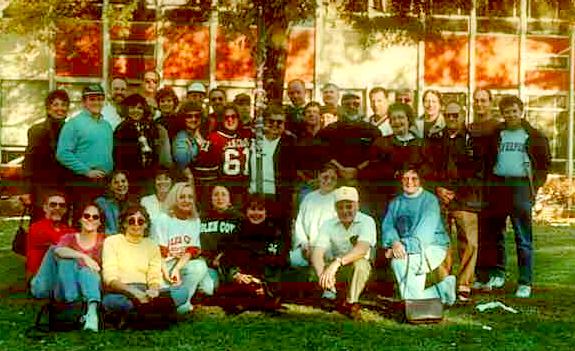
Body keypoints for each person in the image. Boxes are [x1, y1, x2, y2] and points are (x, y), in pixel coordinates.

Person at [476, 95, 550, 297]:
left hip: (520, 187)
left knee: (522, 236)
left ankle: (525, 282)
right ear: (502, 114)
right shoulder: (497, 133)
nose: (510, 115)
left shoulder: (533, 135)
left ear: (521, 111)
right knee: (496, 233)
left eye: (514, 111)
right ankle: (498, 273)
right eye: (506, 112)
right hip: (499, 184)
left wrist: (535, 185)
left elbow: (544, 164)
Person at [425, 102, 482, 301]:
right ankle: (443, 280)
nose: (451, 119)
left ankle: (464, 284)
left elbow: (479, 171)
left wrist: (456, 192)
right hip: (440, 197)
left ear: (463, 115)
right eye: (448, 115)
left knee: (469, 242)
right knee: (441, 241)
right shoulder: (435, 139)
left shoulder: (473, 140)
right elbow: (428, 168)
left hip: (466, 198)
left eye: (455, 115)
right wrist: (437, 189)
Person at [102, 204, 191, 322]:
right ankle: (156, 313)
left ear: (146, 224)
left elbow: (154, 275)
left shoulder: (151, 245)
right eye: (131, 221)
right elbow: (109, 278)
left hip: (146, 291)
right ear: (124, 224)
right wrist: (134, 292)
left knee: (183, 292)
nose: (136, 225)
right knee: (110, 301)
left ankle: (136, 315)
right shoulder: (112, 241)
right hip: (122, 291)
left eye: (140, 221)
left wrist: (153, 290)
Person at [381, 168, 456, 306]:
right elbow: (388, 227)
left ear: (421, 180)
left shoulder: (430, 201)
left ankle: (411, 304)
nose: (410, 182)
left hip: (432, 246)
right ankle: (442, 290)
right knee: (398, 262)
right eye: (406, 178)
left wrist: (401, 246)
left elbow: (424, 235)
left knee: (409, 261)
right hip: (403, 247)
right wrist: (394, 242)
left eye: (414, 178)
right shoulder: (396, 203)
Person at [30, 202, 106, 332]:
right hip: (64, 285)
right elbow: (58, 251)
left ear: (100, 222)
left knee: (87, 271)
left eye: (95, 217)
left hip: (88, 283)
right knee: (63, 255)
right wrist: (84, 257)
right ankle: (74, 304)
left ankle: (90, 312)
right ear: (80, 219)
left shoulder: (105, 241)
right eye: (87, 215)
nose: (90, 219)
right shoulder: (69, 238)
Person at [310, 186, 376, 319]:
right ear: (335, 208)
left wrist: (337, 263)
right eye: (340, 207)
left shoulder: (367, 221)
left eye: (349, 206)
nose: (345, 211)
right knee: (318, 264)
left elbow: (361, 250)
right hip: (336, 269)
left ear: (357, 206)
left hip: (358, 267)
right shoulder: (328, 224)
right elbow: (317, 252)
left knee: (360, 265)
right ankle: (329, 291)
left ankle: (351, 302)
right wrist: (322, 275)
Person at [151, 182, 213, 311]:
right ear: (174, 199)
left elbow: (191, 250)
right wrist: (167, 273)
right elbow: (158, 252)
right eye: (182, 197)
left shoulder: (195, 220)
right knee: (162, 290)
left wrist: (177, 269)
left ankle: (184, 301)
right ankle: (176, 299)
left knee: (208, 286)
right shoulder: (163, 219)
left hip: (182, 263)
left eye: (190, 197)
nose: (186, 200)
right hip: (162, 264)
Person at [56, 84, 113, 219]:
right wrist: (86, 171)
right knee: (83, 220)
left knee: (104, 222)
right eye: (92, 99)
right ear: (84, 102)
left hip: (105, 183)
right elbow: (63, 153)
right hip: (83, 183)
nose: (96, 102)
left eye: (99, 99)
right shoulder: (74, 124)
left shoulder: (107, 125)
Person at [21, 89, 71, 222]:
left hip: (64, 188)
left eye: (64, 105)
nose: (60, 108)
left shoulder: (71, 131)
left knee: (61, 227)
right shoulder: (37, 131)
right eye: (56, 105)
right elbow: (29, 161)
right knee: (40, 224)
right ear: (48, 109)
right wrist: (26, 190)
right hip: (41, 189)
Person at [248, 104, 297, 222]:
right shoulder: (253, 140)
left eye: (279, 122)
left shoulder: (290, 144)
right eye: (271, 121)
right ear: (264, 122)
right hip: (253, 194)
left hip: (277, 195)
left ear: (284, 124)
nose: (275, 124)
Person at [194, 104, 252, 201]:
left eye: (233, 116)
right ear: (221, 119)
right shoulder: (213, 138)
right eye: (226, 117)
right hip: (223, 190)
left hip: (245, 189)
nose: (230, 120)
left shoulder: (245, 135)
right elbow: (202, 168)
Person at [114, 93, 167, 193]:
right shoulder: (121, 129)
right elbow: (118, 157)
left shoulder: (151, 127)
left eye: (139, 108)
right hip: (130, 178)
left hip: (150, 176)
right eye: (132, 107)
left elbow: (156, 151)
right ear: (126, 109)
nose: (136, 111)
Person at [290, 163, 338, 267]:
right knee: (293, 259)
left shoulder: (339, 199)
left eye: (333, 178)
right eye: (325, 177)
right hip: (308, 247)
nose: (329, 181)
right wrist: (304, 244)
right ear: (319, 177)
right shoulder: (308, 198)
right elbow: (299, 225)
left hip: (331, 249)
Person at [26, 192, 75, 280]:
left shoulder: (69, 231)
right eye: (53, 205)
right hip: (41, 278)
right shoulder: (36, 228)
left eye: (61, 205)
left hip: (61, 276)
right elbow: (59, 247)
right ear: (45, 208)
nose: (57, 208)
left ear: (65, 210)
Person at [94, 170, 132, 235]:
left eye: (123, 181)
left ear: (128, 183)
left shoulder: (133, 203)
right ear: (110, 186)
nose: (120, 184)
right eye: (116, 182)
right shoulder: (101, 203)